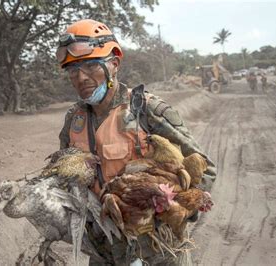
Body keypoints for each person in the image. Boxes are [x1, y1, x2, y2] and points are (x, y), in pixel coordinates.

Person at [56, 19, 217, 265]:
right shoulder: (73, 120)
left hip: (157, 250)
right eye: (73, 70)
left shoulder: (145, 109)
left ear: (115, 64)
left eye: (90, 66)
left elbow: (205, 169)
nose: (81, 77)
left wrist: (168, 207)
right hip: (104, 251)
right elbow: (65, 178)